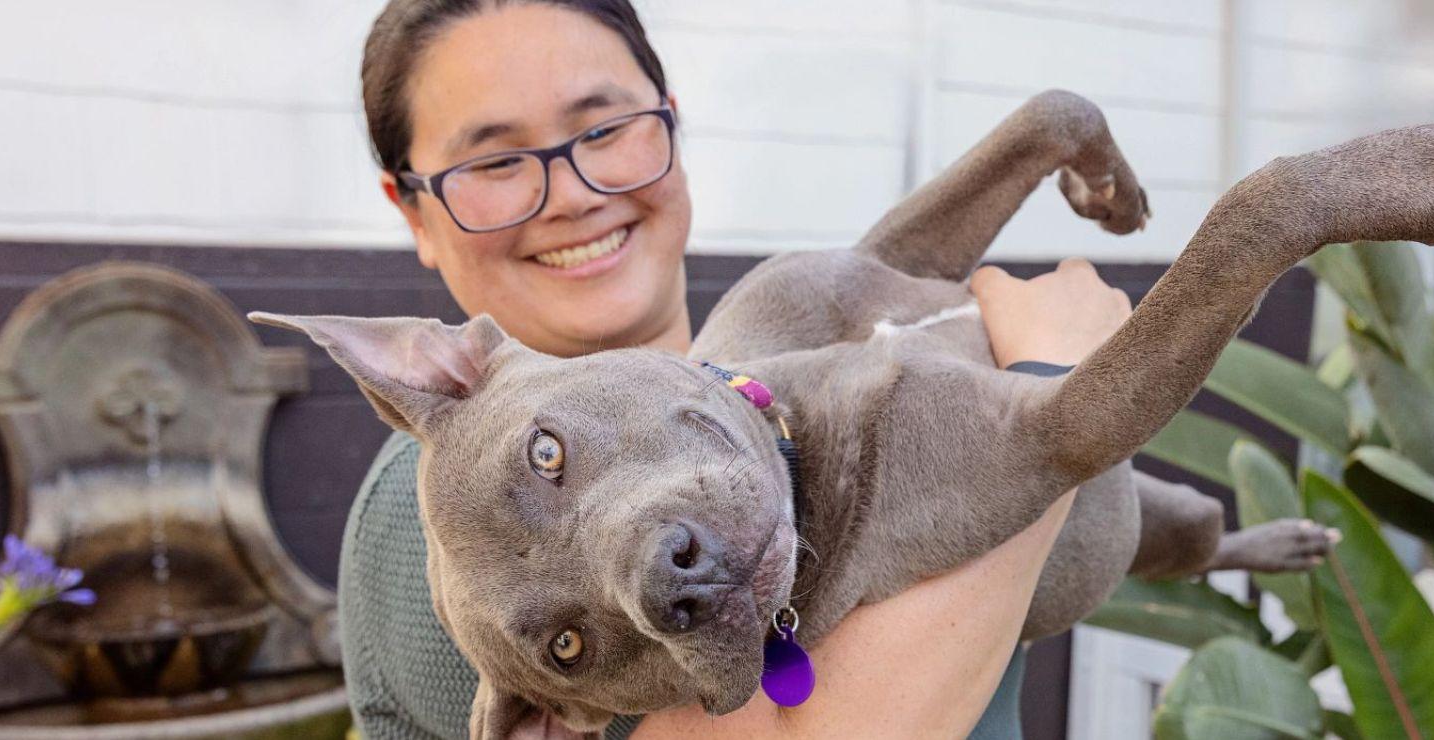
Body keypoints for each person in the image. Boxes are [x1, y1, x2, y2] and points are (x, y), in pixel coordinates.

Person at [340, 1, 1134, 737]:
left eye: (605, 128)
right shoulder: (450, 534)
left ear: (670, 126)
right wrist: (1053, 385)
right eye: (497, 162)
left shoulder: (753, 400)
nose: (572, 194)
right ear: (412, 209)